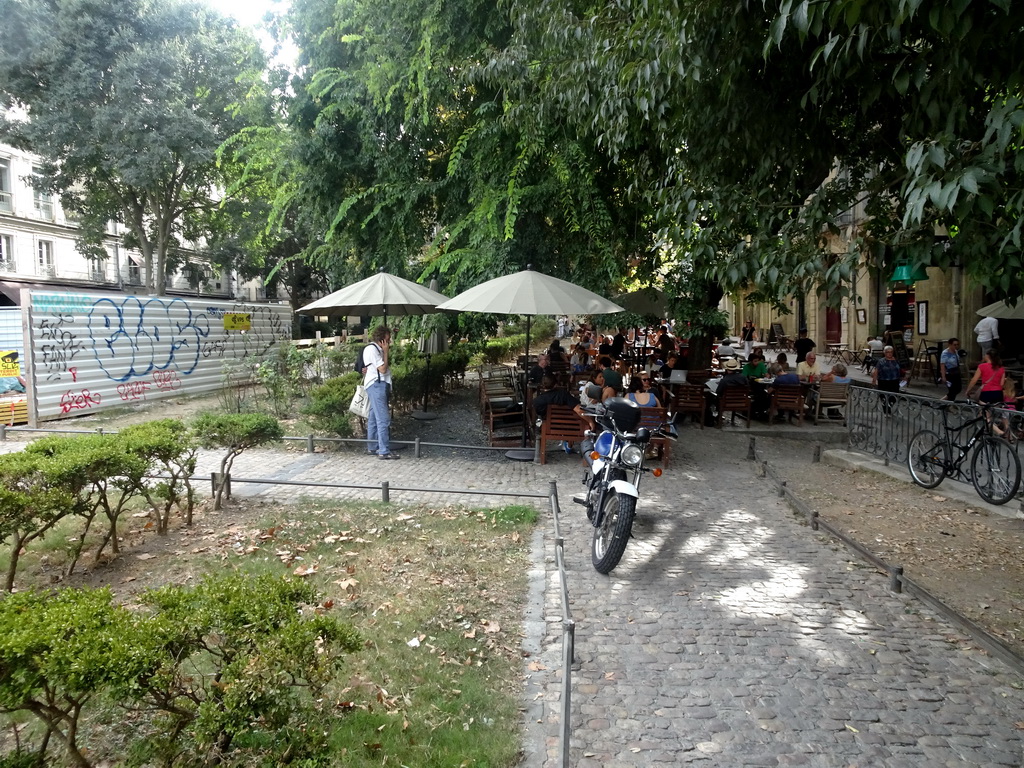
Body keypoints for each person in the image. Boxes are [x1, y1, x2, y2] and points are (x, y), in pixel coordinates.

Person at [362, 325, 399, 459]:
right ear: (381, 339)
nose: (389, 342)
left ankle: (372, 447)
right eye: (387, 339)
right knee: (383, 419)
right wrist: (386, 352)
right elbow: (382, 369)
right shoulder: (373, 350)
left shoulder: (374, 349)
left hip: (377, 385)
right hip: (376, 385)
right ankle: (383, 450)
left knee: (373, 417)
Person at [872, 345, 907, 414]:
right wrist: (874, 380)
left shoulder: (896, 361)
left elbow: (900, 370)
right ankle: (886, 411)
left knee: (894, 396)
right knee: (883, 397)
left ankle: (889, 406)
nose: (889, 353)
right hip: (883, 381)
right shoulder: (881, 361)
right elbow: (876, 371)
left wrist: (904, 378)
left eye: (891, 352)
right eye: (888, 352)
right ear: (884, 353)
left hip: (895, 381)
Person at [939, 338, 963, 402]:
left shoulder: (956, 352)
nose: (956, 346)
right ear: (950, 345)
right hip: (949, 373)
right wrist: (943, 376)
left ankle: (943, 401)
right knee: (952, 390)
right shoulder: (945, 353)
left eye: (957, 345)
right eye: (954, 345)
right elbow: (942, 365)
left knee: (958, 389)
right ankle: (948, 404)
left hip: (956, 372)